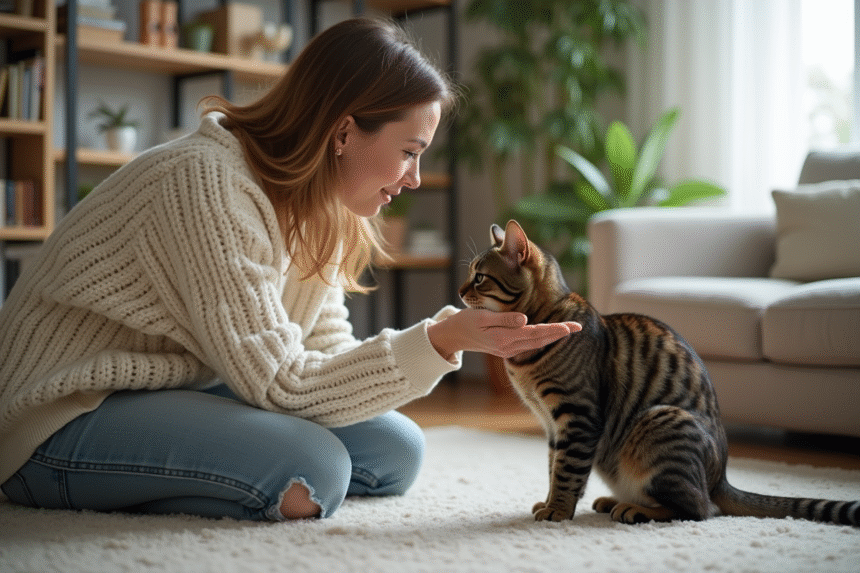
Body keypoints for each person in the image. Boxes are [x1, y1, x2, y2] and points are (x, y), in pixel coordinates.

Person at [0, 17, 580, 521]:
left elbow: (323, 353)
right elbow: (280, 383)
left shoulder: (323, 204)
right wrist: (438, 338)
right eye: (409, 151)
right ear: (344, 131)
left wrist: (442, 340)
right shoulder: (207, 184)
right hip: (60, 413)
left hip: (174, 382)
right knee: (313, 467)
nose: (415, 178)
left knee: (395, 450)